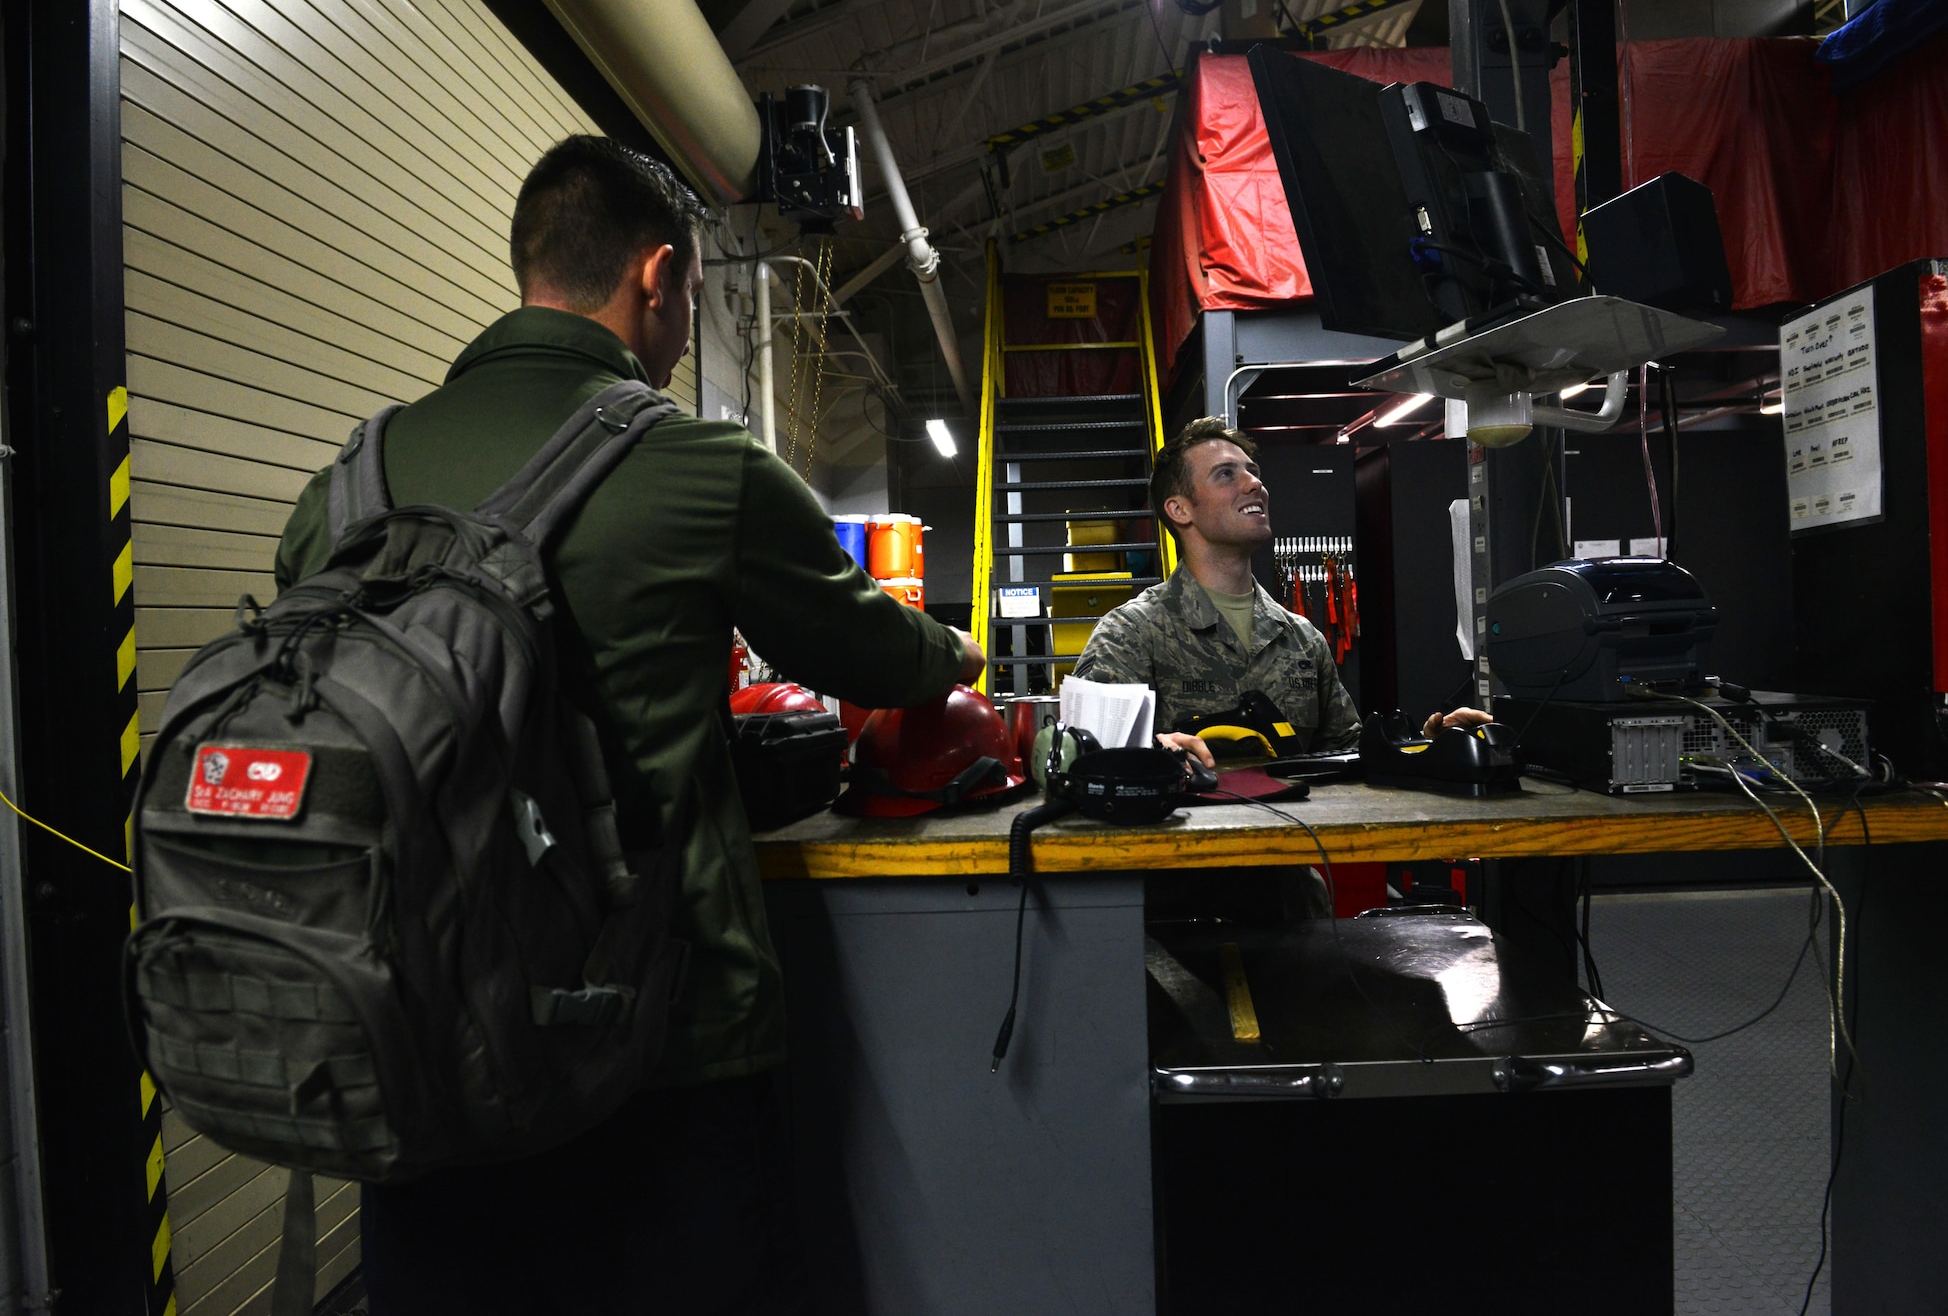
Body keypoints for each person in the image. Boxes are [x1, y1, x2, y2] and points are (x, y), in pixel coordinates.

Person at [273, 136, 982, 1315]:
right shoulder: (696, 465)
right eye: (695, 297)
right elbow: (872, 656)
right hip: (663, 1051)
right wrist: (951, 648)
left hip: (420, 1044)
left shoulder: (346, 483)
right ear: (656, 278)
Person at [1073, 417, 1484, 766]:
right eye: (1226, 474)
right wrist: (1151, 756)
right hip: (1184, 856)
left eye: (1253, 471)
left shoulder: (1301, 639)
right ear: (1180, 509)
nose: (1255, 484)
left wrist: (1426, 745)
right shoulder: (1132, 634)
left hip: (1292, 855)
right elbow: (1084, 758)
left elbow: (1349, 757)